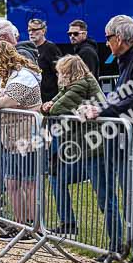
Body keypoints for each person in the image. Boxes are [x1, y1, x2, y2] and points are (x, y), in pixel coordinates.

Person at [78, 15, 133, 263]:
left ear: (121, 38)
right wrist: (98, 106)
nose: (107, 43)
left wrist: (100, 112)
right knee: (131, 199)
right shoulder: (129, 58)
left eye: (108, 38)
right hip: (128, 140)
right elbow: (120, 95)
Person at [42, 56, 121, 251]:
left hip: (96, 148)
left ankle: (117, 244)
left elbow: (56, 108)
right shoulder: (73, 86)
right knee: (57, 177)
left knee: (105, 197)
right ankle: (69, 224)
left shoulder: (80, 85)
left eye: (61, 72)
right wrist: (48, 107)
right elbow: (50, 105)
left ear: (68, 72)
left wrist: (49, 107)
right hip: (82, 148)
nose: (58, 76)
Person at [0, 41, 42, 240]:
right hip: (10, 136)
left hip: (28, 135)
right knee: (12, 182)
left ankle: (33, 225)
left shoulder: (24, 76)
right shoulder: (7, 78)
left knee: (28, 183)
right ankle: (18, 224)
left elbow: (6, 102)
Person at [27, 18, 61, 102]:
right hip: (34, 96)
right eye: (29, 30)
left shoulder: (51, 48)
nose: (31, 33)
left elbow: (60, 73)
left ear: (43, 31)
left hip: (49, 96)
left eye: (35, 30)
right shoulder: (29, 49)